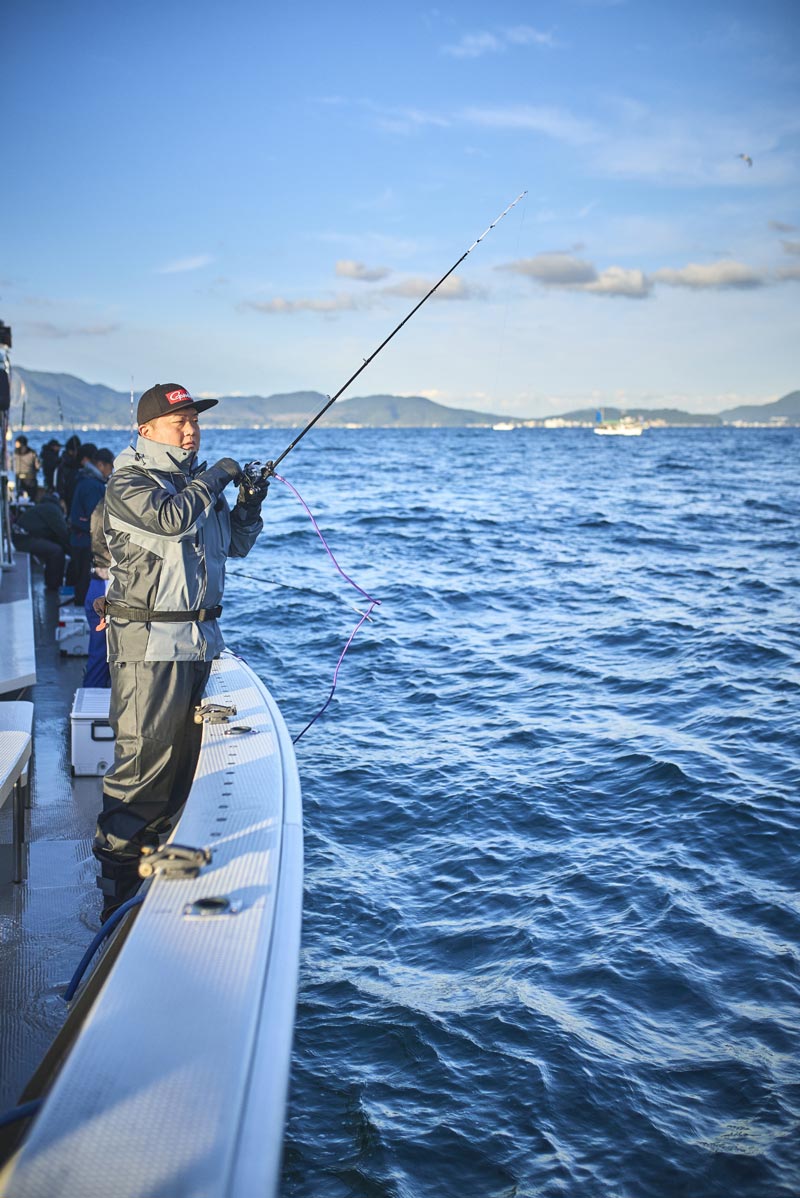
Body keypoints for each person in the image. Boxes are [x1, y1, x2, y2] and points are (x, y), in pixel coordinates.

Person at [92, 383, 269, 921]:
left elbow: (233, 547)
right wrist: (217, 477)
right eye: (179, 423)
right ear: (146, 431)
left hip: (197, 645)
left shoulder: (194, 485)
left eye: (195, 421)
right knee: (142, 771)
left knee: (179, 770)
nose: (191, 431)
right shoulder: (130, 481)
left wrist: (246, 507)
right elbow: (169, 520)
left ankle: (154, 877)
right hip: (150, 648)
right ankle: (115, 898)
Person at [69, 446, 114, 606]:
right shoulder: (93, 485)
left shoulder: (86, 479)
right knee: (84, 579)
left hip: (79, 538)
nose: (111, 471)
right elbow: (96, 517)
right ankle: (86, 606)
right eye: (110, 466)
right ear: (101, 465)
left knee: (82, 577)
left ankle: (83, 603)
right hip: (84, 540)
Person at [11, 487, 70, 589]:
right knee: (56, 551)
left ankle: (52, 582)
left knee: (54, 548)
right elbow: (62, 533)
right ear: (62, 502)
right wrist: (73, 552)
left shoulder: (47, 506)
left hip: (21, 536)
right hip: (23, 539)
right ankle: (53, 586)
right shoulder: (53, 510)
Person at [83, 498, 112, 688]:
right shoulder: (114, 505)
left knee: (98, 651)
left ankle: (91, 689)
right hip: (106, 586)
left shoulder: (102, 504)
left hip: (97, 582)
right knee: (103, 652)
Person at [55, 434, 82, 510]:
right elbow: (60, 483)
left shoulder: (64, 461)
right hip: (67, 496)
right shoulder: (65, 464)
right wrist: (62, 498)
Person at [13, 435, 39, 500]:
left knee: (19, 497)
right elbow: (37, 466)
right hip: (29, 478)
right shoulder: (32, 453)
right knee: (31, 498)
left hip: (22, 478)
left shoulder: (14, 453)